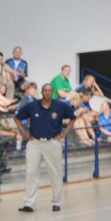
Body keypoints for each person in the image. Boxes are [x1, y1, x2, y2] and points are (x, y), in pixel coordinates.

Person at [14, 83, 76, 212]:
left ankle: (56, 202)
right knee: (31, 173)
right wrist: (25, 133)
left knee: (56, 173)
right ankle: (29, 204)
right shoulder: (32, 106)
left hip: (52, 142)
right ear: (41, 92)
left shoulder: (60, 106)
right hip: (34, 142)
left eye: (49, 90)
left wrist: (64, 133)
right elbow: (17, 117)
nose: (47, 92)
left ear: (52, 92)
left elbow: (72, 118)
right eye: (45, 90)